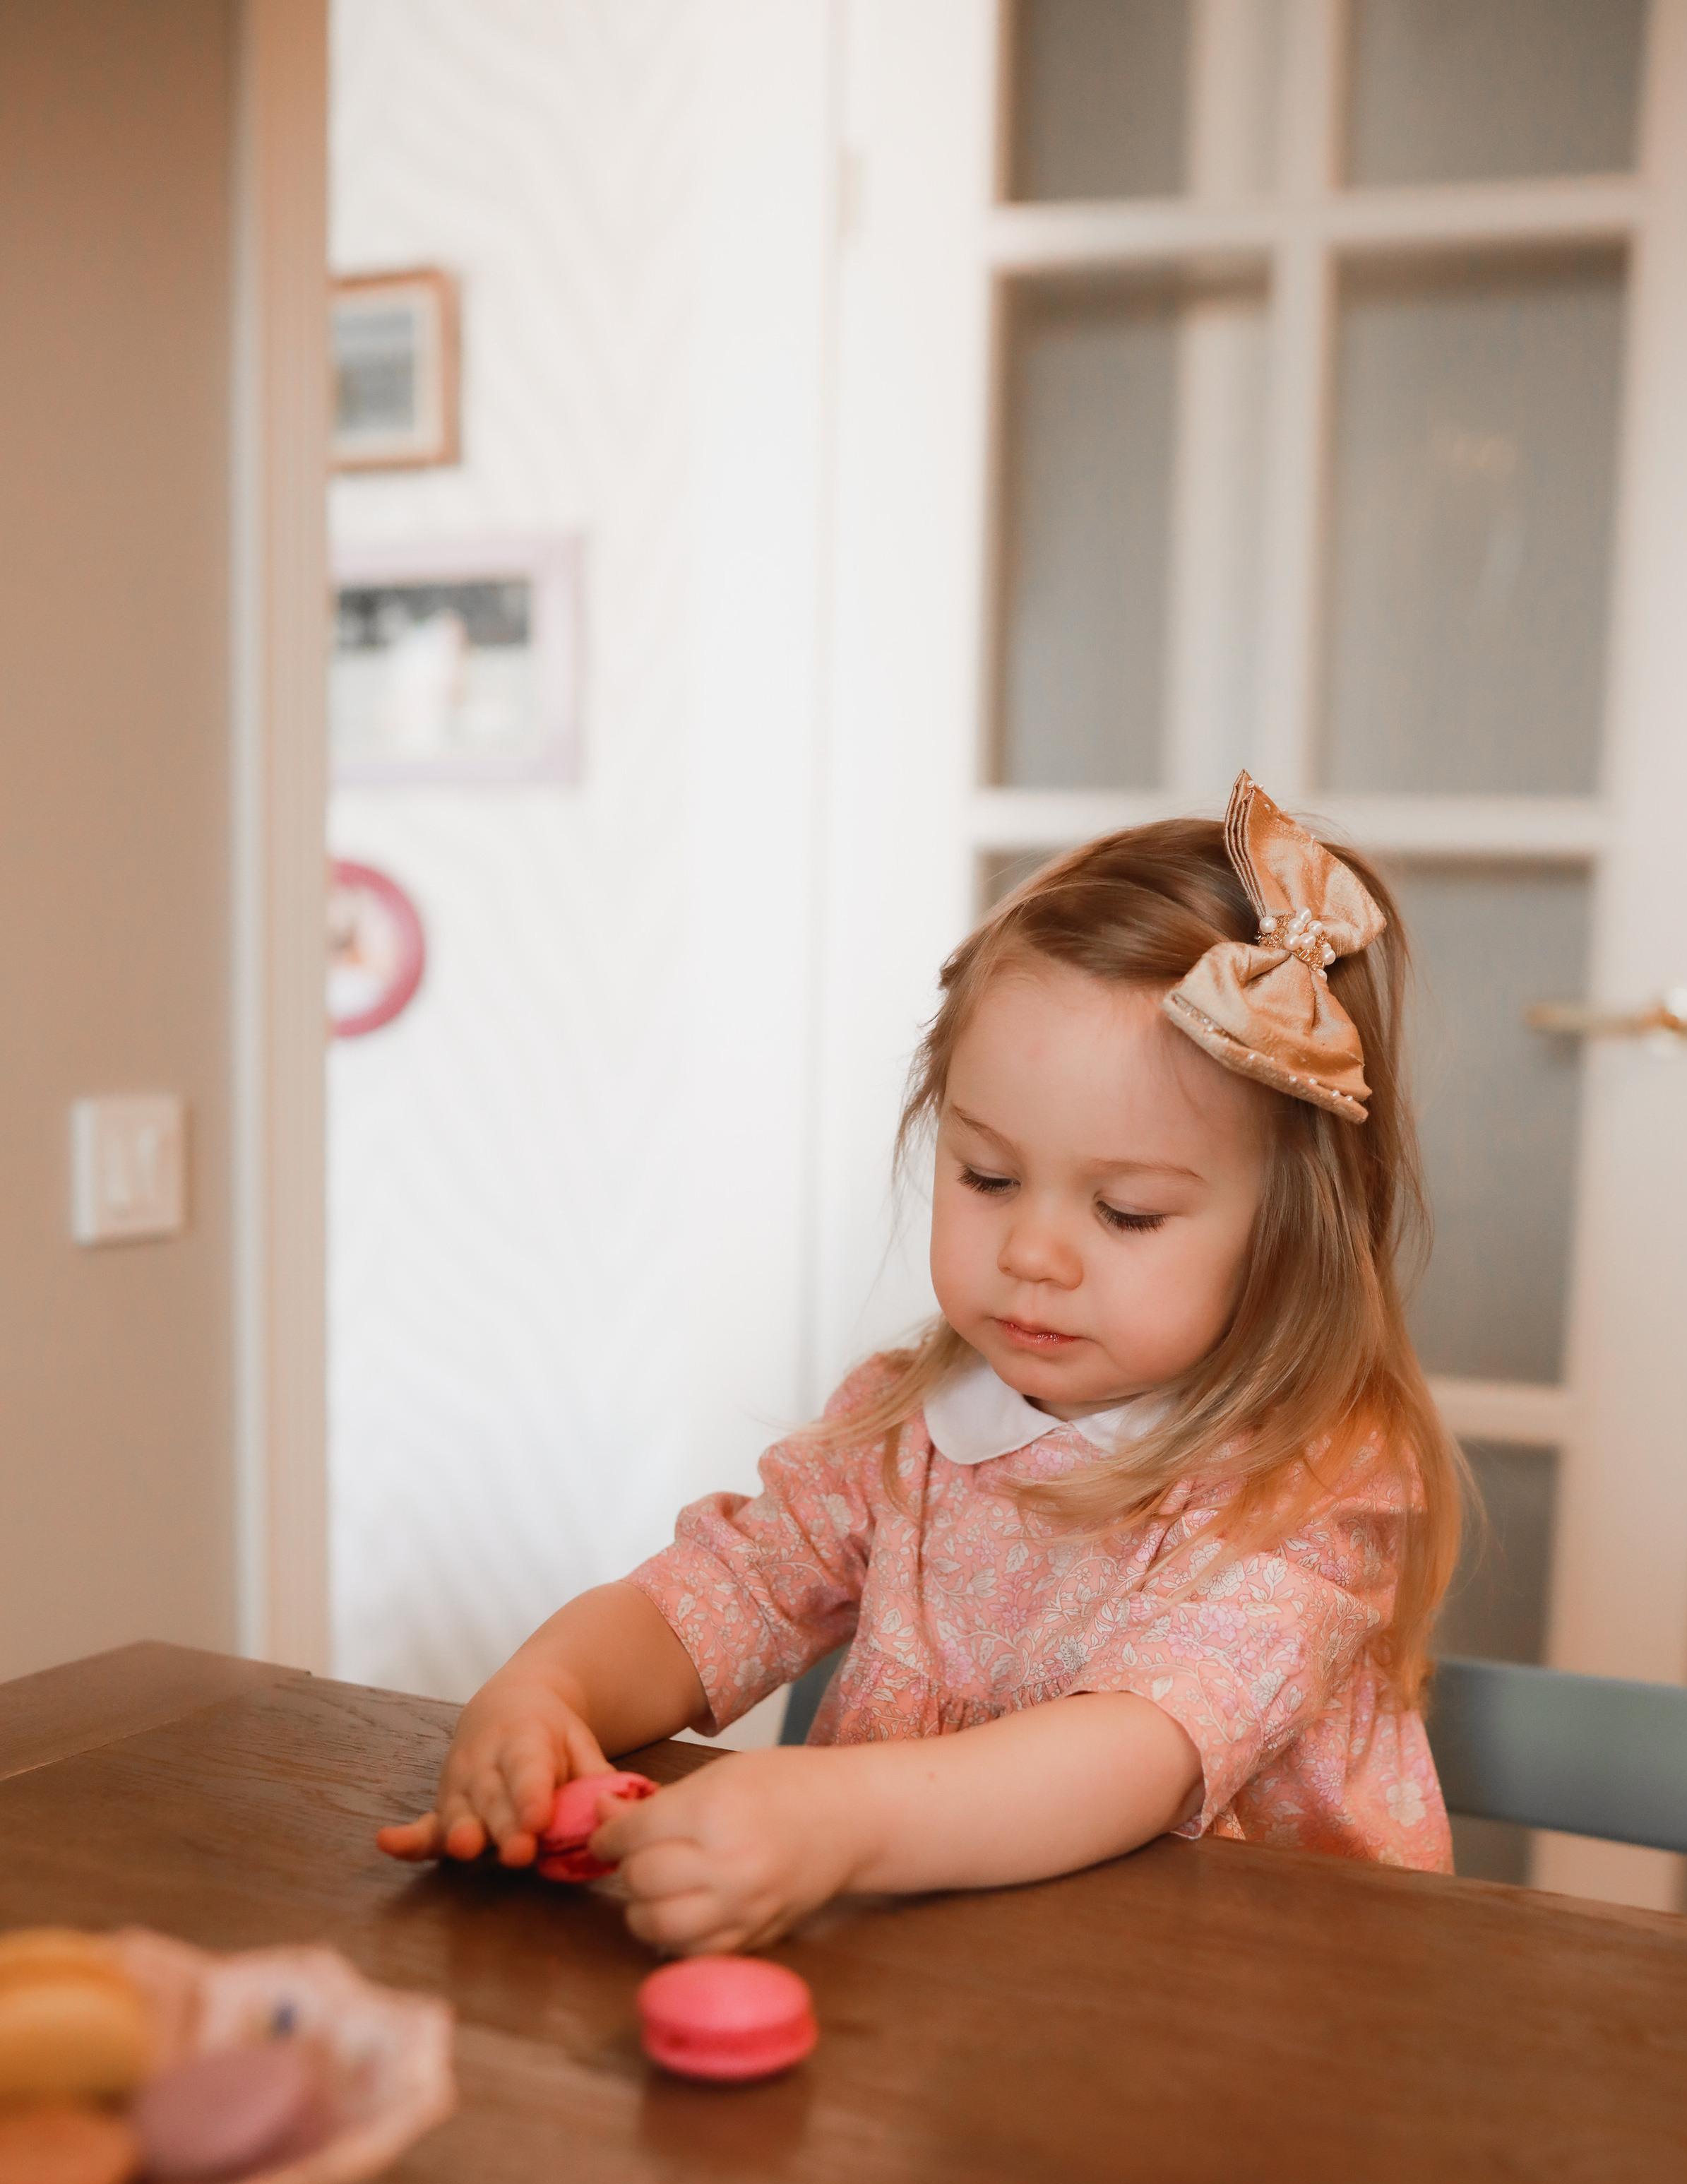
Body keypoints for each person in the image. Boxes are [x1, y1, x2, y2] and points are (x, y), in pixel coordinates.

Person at [379, 775, 1464, 1950]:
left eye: (1128, 1212)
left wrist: (832, 1817)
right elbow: (721, 1596)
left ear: (1293, 1228)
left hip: (1227, 2010)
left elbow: (1133, 1757)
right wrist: (549, 1689)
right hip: (948, 1984)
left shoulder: (1315, 1483)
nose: (1034, 1252)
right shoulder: (913, 1427)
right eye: (988, 1178)